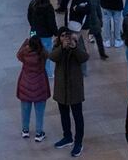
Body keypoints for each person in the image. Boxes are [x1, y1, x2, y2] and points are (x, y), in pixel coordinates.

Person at [50, 26, 88, 158]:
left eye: (67, 35)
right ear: (59, 38)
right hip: (62, 89)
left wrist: (74, 47)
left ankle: (78, 142)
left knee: (78, 116)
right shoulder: (57, 46)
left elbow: (84, 57)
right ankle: (67, 137)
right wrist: (62, 47)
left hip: (75, 88)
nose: (65, 38)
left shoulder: (76, 44)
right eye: (63, 36)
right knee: (64, 114)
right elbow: (52, 57)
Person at [17, 35, 51, 143]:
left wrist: (25, 42)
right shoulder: (42, 55)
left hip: (25, 86)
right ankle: (39, 133)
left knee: (25, 110)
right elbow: (48, 54)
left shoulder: (25, 54)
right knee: (39, 111)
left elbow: (18, 54)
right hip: (40, 86)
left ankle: (25, 130)